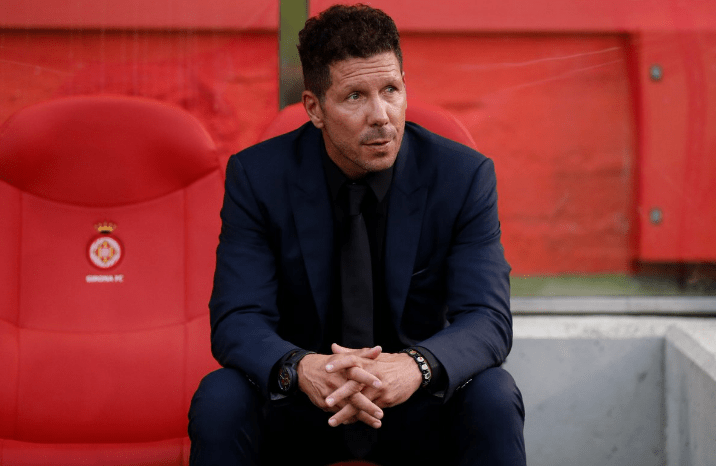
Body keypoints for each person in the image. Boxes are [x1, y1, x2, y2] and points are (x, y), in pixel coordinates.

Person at [189, 4, 526, 465]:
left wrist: (416, 366)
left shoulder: (462, 177)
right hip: (307, 403)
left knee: (494, 394)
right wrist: (301, 368)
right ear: (315, 108)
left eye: (391, 90)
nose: (381, 116)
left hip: (415, 403)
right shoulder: (258, 178)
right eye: (355, 97)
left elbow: (488, 318)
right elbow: (237, 318)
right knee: (220, 397)